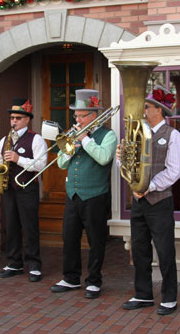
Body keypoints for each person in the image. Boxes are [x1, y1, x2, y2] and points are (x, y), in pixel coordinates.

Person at [119, 85, 180, 316]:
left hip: (160, 201)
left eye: (146, 107)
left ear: (158, 110)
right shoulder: (136, 132)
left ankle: (169, 298)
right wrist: (121, 158)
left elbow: (174, 170)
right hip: (138, 202)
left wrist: (149, 186)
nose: (142, 110)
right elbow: (126, 165)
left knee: (165, 251)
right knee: (139, 250)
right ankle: (143, 294)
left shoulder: (172, 135)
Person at [50, 89, 117, 299]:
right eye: (76, 115)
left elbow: (104, 158)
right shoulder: (72, 133)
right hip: (73, 195)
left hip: (95, 195)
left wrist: (85, 140)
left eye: (81, 115)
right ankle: (71, 278)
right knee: (69, 238)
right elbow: (60, 163)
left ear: (93, 115)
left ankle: (94, 281)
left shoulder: (108, 135)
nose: (77, 119)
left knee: (96, 240)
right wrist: (70, 147)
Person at [0, 98, 47, 282]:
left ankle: (34, 264)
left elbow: (41, 165)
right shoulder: (4, 140)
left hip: (27, 188)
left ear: (27, 119)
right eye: (11, 118)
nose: (13, 121)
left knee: (30, 226)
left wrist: (18, 159)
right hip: (9, 188)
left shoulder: (36, 138)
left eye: (17, 118)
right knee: (12, 226)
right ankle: (14, 263)